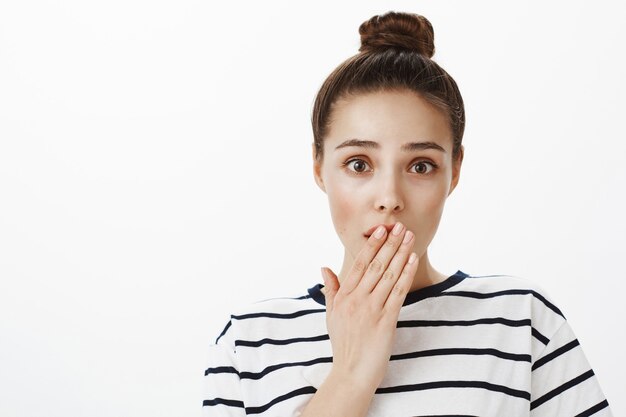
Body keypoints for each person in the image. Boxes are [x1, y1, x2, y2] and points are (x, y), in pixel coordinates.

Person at [202, 11, 613, 417]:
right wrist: (351, 374)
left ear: (455, 171)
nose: (389, 198)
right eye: (359, 164)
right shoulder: (250, 341)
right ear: (318, 167)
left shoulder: (522, 323)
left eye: (420, 165)